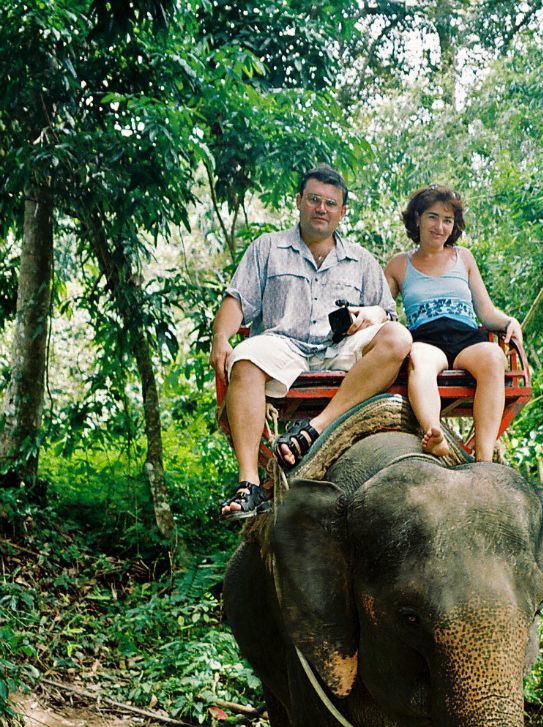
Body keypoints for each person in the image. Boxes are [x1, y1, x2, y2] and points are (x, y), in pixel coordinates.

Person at [211, 166, 412, 520]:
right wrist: (220, 338)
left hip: (340, 351)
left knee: (398, 338)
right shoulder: (268, 248)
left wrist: (372, 316)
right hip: (283, 345)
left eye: (330, 203)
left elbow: (388, 314)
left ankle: (316, 426)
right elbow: (237, 301)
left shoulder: (362, 260)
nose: (322, 208)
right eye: (314, 200)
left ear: (342, 212)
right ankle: (248, 483)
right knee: (243, 359)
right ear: (299, 202)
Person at [384, 185, 523, 462]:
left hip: (464, 337)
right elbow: (383, 311)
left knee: (494, 357)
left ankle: (484, 457)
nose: (440, 226)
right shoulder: (399, 265)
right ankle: (433, 433)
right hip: (425, 338)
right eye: (433, 217)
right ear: (417, 219)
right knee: (419, 361)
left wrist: (509, 321)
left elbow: (485, 311)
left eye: (447, 220)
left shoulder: (464, 258)